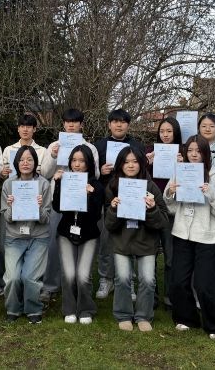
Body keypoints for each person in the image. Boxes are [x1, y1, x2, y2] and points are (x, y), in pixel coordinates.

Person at [165, 135, 215, 339]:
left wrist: (211, 192)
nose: (194, 155)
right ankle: (186, 318)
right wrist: (170, 193)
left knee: (205, 284)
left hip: (208, 237)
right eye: (190, 150)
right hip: (182, 233)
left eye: (198, 151)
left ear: (205, 153)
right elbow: (171, 208)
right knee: (178, 281)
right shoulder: (180, 171)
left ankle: (213, 325)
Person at [104, 147, 169, 332]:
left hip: (146, 241)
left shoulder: (151, 187)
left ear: (141, 164)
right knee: (123, 278)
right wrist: (113, 209)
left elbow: (163, 221)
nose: (130, 165)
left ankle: (143, 316)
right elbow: (108, 225)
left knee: (147, 280)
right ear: (120, 165)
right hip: (122, 241)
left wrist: (152, 209)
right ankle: (124, 315)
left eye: (134, 161)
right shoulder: (113, 186)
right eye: (126, 162)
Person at [39, 108, 100, 302]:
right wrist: (53, 156)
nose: (71, 125)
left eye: (75, 122)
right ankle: (50, 286)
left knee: (80, 242)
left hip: (82, 202)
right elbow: (45, 173)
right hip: (59, 200)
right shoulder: (54, 145)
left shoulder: (90, 148)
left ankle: (77, 284)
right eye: (67, 122)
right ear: (63, 124)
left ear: (81, 124)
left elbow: (96, 174)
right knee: (54, 243)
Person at [94, 108, 145, 300]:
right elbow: (89, 172)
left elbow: (142, 172)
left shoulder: (136, 146)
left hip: (132, 200)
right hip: (107, 201)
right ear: (109, 124)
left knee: (130, 240)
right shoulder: (99, 145)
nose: (119, 125)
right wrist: (100, 171)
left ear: (128, 125)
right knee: (106, 241)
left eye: (123, 122)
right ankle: (106, 279)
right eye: (115, 121)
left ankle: (128, 281)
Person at [0, 114, 47, 296]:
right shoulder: (8, 149)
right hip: (14, 200)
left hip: (33, 201)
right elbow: (2, 174)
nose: (25, 129)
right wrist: (3, 172)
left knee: (34, 247)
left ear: (34, 129)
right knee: (6, 243)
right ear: (18, 129)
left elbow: (45, 174)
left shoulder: (42, 151)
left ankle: (31, 284)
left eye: (29, 126)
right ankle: (4, 282)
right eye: (22, 126)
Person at [52, 145, 105, 324]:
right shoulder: (65, 180)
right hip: (66, 233)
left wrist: (90, 195)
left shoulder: (96, 185)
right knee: (69, 274)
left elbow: (96, 215)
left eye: (81, 161)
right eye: (74, 160)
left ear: (89, 163)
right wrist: (58, 183)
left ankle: (86, 309)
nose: (77, 164)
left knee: (83, 276)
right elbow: (57, 207)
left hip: (89, 235)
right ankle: (69, 309)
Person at [0, 146, 52, 324]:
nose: (25, 163)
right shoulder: (8, 184)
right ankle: (13, 308)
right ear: (16, 163)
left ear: (35, 163)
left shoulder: (43, 184)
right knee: (13, 278)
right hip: (14, 237)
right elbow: (7, 218)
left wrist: (39, 207)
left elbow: (46, 219)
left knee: (29, 277)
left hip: (38, 237)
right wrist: (11, 206)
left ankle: (33, 309)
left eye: (30, 159)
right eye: (22, 160)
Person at [145, 116, 182, 309]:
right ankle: (151, 296)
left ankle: (170, 297)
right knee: (149, 255)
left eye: (169, 131)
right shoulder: (150, 151)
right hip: (151, 208)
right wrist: (146, 162)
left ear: (176, 132)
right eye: (162, 131)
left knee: (170, 257)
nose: (165, 135)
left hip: (171, 212)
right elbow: (137, 176)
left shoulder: (183, 152)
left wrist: (183, 164)